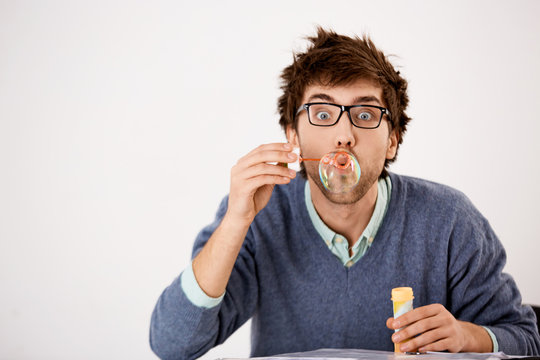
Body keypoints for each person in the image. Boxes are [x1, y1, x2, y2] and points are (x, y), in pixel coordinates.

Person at [149, 27, 540, 359]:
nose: (344, 134)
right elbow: (172, 344)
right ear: (293, 137)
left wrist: (469, 337)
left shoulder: (451, 220)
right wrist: (237, 221)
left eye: (365, 115)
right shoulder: (256, 216)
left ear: (392, 141)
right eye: (322, 114)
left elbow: (527, 339)